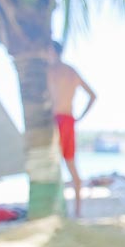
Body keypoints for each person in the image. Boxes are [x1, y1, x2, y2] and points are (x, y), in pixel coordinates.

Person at [46, 40, 96, 217]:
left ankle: (57, 210)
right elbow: (93, 96)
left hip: (56, 121)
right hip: (69, 120)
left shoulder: (50, 71)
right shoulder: (71, 71)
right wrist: (79, 117)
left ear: (53, 51)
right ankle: (77, 211)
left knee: (55, 167)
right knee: (71, 165)